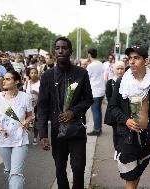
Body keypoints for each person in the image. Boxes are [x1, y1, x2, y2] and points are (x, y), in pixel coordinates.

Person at [109, 46, 150, 189]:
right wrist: (126, 120)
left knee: (137, 174)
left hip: (146, 137)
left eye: (136, 58)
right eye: (130, 58)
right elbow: (112, 108)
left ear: (146, 61)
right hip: (127, 137)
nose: (131, 61)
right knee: (130, 179)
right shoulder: (122, 82)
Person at [37, 37, 93, 189]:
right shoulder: (47, 76)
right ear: (54, 51)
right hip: (57, 132)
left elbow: (89, 99)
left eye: (64, 48)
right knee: (60, 169)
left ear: (70, 51)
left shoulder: (81, 73)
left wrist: (73, 112)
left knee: (78, 168)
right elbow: (42, 107)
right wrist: (42, 134)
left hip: (76, 130)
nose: (60, 51)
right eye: (57, 48)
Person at [0, 70, 33, 189]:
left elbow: (30, 115)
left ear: (17, 81)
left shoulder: (25, 97)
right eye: (4, 78)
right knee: (10, 170)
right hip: (3, 141)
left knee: (16, 174)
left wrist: (26, 121)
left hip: (20, 140)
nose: (4, 80)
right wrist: (0, 129)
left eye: (8, 79)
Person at [104, 61, 125, 160]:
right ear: (114, 69)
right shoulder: (110, 82)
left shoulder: (127, 81)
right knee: (116, 131)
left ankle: (124, 150)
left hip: (125, 112)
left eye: (122, 68)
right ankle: (117, 150)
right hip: (114, 112)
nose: (120, 71)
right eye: (118, 68)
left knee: (124, 131)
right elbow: (108, 96)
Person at [86, 48, 105, 136]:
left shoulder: (91, 66)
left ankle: (96, 129)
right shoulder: (100, 63)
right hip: (101, 90)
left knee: (95, 111)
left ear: (89, 55)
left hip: (95, 91)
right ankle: (99, 128)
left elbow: (86, 77)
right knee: (98, 110)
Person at [23, 68, 40, 145]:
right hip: (27, 105)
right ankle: (25, 138)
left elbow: (43, 95)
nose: (33, 74)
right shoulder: (27, 83)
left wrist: (36, 92)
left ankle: (35, 137)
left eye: (35, 73)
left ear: (38, 74)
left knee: (36, 121)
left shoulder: (40, 83)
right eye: (32, 73)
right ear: (29, 74)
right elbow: (23, 92)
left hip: (37, 105)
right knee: (26, 121)